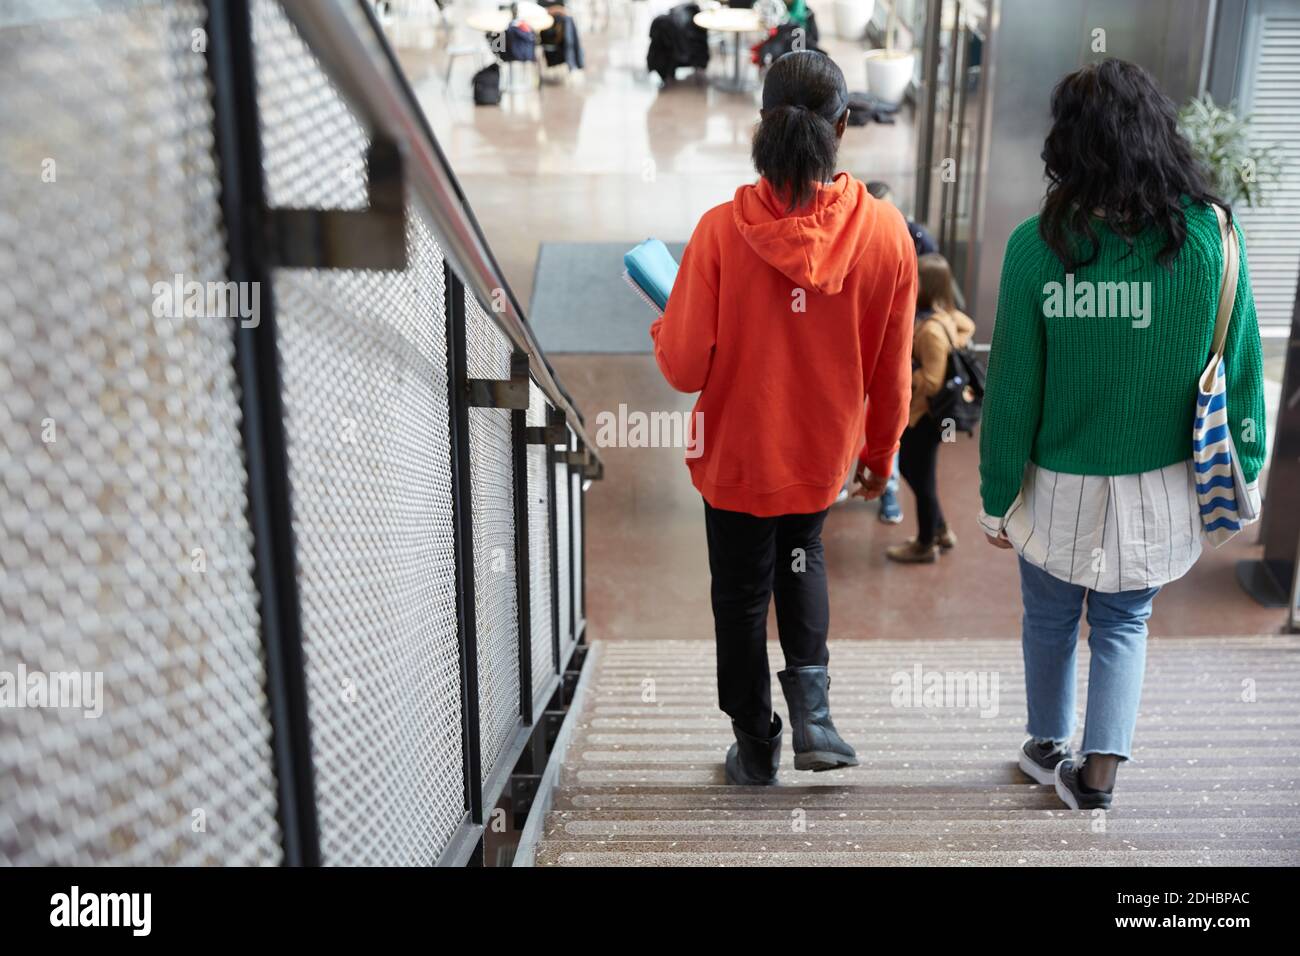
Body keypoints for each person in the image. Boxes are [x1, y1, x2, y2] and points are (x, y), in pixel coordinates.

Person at [978, 59, 1266, 810]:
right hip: (1163, 487)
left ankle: (1048, 746)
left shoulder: (1038, 249)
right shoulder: (1214, 241)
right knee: (1123, 623)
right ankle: (1098, 779)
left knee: (1047, 615)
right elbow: (1240, 374)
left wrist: (995, 494)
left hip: (1057, 486)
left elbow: (1011, 390)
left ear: (1069, 149)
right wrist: (1250, 466)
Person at [651, 50, 917, 785]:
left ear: (763, 124)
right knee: (802, 558)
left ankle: (757, 743)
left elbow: (682, 368)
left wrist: (663, 324)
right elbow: (892, 369)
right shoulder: (888, 236)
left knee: (740, 595)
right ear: (842, 126)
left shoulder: (718, 232)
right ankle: (815, 715)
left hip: (738, 458)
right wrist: (881, 455)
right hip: (820, 455)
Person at [884, 253, 974, 563]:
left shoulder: (932, 329)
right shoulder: (947, 317)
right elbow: (968, 325)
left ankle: (925, 544)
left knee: (918, 476)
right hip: (932, 418)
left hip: (923, 416)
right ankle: (940, 529)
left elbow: (933, 381)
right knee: (919, 473)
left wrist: (903, 376)